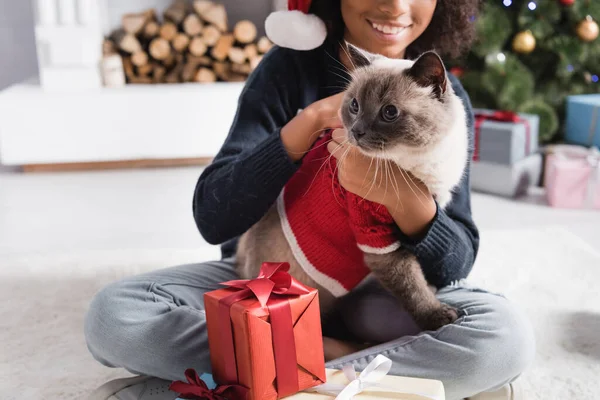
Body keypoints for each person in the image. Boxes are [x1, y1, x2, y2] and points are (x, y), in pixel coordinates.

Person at [86, 1, 535, 399]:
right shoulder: (289, 69)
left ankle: (267, 372)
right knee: (115, 318)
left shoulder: (446, 101)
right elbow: (213, 217)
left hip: (383, 291)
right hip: (269, 280)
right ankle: (357, 374)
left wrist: (391, 194)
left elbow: (453, 266)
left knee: (503, 339)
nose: (396, 6)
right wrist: (313, 119)